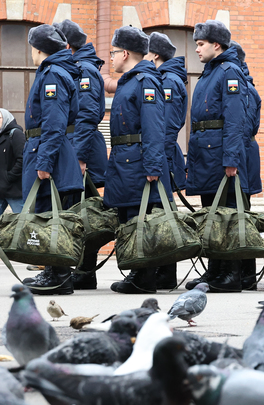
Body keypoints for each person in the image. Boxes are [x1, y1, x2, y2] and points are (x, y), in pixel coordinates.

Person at [184, 20, 251, 293]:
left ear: (216, 45)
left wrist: (231, 159)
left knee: (227, 216)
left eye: (200, 44)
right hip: (206, 154)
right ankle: (214, 271)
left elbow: (235, 120)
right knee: (211, 214)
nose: (197, 49)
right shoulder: (210, 72)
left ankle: (230, 274)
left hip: (221, 156)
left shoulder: (229, 71)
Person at [104, 26, 172, 294]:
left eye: (112, 52)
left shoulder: (145, 81)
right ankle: (138, 272)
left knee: (139, 219)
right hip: (126, 161)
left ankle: (143, 277)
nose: (110, 57)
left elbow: (154, 127)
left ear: (124, 53)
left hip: (138, 163)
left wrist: (153, 166)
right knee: (130, 217)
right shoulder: (131, 80)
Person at [22, 24, 84, 295]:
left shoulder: (52, 75)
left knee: (51, 216)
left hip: (51, 155)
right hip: (47, 150)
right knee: (47, 216)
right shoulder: (55, 72)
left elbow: (55, 123)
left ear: (38, 49)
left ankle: (58, 276)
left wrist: (44, 162)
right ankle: (52, 272)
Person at [52, 19, 108, 290]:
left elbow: (86, 116)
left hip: (79, 148)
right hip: (75, 146)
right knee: (78, 213)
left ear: (66, 44)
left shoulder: (83, 69)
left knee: (80, 214)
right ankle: (82, 271)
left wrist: (79, 157)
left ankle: (81, 272)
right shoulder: (78, 66)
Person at [143, 32, 188, 290]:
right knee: (159, 214)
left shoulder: (168, 80)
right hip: (161, 155)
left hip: (163, 156)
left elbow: (167, 126)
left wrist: (157, 157)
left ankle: (166, 272)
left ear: (155, 55)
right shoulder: (163, 78)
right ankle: (161, 270)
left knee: (163, 215)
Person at [229, 39, 262, 290]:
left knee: (241, 216)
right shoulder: (245, 84)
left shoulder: (244, 88)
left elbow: (244, 126)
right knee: (240, 214)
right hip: (243, 152)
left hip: (243, 155)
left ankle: (245, 275)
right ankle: (244, 274)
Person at [0, 109, 25, 213]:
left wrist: (8, 177)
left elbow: (22, 159)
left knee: (22, 223)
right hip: (1, 189)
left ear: (5, 118)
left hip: (14, 190)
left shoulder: (16, 134)